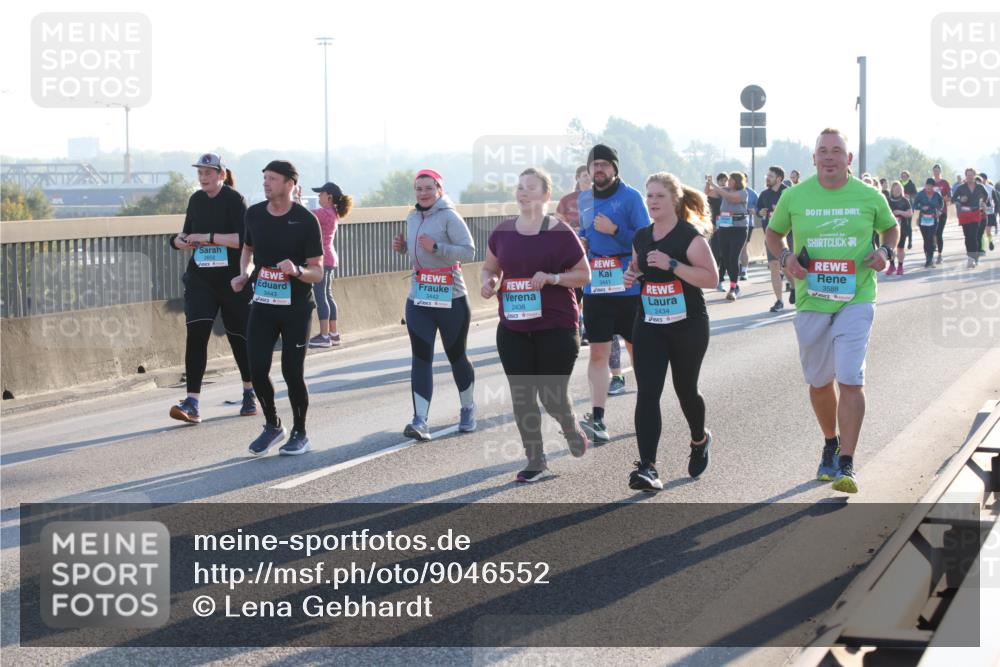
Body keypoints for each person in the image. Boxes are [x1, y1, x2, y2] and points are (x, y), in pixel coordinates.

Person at [765, 128, 898, 494]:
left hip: (856, 297)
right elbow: (773, 235)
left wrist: (885, 254)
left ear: (848, 159)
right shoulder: (794, 195)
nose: (829, 157)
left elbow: (891, 229)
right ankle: (830, 440)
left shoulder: (869, 196)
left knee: (850, 377)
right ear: (813, 158)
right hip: (811, 300)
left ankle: (848, 463)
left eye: (836, 151)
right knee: (820, 382)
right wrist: (786, 257)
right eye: (822, 151)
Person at [481, 168, 592, 482]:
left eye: (530, 187)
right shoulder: (502, 231)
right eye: (519, 187)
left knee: (551, 393)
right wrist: (489, 282)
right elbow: (490, 267)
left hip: (556, 325)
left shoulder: (559, 231)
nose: (522, 192)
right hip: (513, 326)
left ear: (546, 195)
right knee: (523, 394)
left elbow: (584, 275)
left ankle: (569, 426)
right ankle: (536, 460)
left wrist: (553, 278)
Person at [623, 173, 718, 491]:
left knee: (685, 390)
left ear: (674, 200)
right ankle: (647, 467)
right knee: (647, 392)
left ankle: (699, 438)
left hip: (688, 325)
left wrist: (672, 265)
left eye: (659, 196)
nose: (652, 201)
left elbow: (710, 278)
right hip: (649, 323)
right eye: (649, 196)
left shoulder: (689, 238)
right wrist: (632, 274)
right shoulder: (641, 236)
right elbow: (637, 267)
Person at [233, 160, 324, 457]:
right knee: (256, 368)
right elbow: (247, 248)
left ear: (289, 184)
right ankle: (273, 425)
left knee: (291, 371)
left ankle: (300, 432)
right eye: (264, 178)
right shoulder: (255, 214)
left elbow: (318, 271)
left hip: (296, 307)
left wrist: (297, 270)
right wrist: (244, 273)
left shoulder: (306, 220)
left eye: (272, 179)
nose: (266, 183)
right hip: (263, 302)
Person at [168, 153, 256, 424]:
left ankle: (250, 392)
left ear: (221, 174)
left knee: (239, 337)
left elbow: (244, 240)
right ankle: (192, 402)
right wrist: (180, 241)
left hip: (231, 279)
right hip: (201, 279)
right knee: (196, 336)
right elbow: (185, 233)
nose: (203, 177)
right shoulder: (195, 200)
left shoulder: (234, 200)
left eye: (208, 173)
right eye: (200, 173)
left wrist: (208, 238)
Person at [391, 169, 476, 440]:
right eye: (418, 188)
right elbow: (419, 252)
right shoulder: (412, 216)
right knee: (421, 357)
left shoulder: (450, 216)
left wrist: (437, 247)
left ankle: (467, 407)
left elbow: (469, 250)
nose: (423, 193)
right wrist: (405, 248)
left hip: (451, 298)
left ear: (439, 189)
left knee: (456, 356)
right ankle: (420, 420)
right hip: (420, 298)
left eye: (428, 188)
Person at [576, 144, 648, 442]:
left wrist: (615, 230)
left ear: (615, 168)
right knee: (598, 354)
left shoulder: (631, 197)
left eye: (605, 164)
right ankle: (599, 418)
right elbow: (587, 235)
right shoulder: (584, 199)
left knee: (638, 353)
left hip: (628, 287)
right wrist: (580, 242)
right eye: (595, 165)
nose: (600, 169)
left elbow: (646, 238)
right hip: (597, 288)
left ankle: (647, 411)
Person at [307, 181, 351, 348]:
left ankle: (324, 336)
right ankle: (333, 334)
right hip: (331, 258)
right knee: (328, 295)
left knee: (320, 296)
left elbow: (302, 215)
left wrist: (295, 198)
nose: (319, 196)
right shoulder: (333, 213)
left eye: (321, 193)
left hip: (323, 259)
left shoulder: (324, 213)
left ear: (329, 197)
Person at [555, 165, 592, 344]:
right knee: (577, 292)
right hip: (573, 252)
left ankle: (588, 327)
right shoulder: (567, 200)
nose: (587, 179)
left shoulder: (600, 197)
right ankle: (579, 328)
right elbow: (557, 226)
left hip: (595, 251)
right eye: (584, 175)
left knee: (593, 292)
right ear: (577, 178)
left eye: (589, 176)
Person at [706, 171, 750, 301]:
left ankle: (733, 287)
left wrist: (715, 186)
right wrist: (709, 183)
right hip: (724, 228)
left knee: (733, 257)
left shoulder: (743, 192)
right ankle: (734, 285)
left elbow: (730, 197)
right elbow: (709, 192)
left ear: (736, 181)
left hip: (739, 228)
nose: (728, 182)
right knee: (725, 258)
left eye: (730, 180)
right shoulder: (724, 189)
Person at [756, 165, 789, 312]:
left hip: (789, 236)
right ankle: (779, 300)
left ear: (779, 179)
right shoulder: (764, 194)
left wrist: (781, 211)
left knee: (788, 265)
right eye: (767, 175)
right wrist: (760, 212)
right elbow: (758, 210)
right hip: (771, 236)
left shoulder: (788, 193)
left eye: (770, 176)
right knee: (775, 266)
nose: (767, 178)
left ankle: (795, 289)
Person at [952, 168, 990, 268]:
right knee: (967, 237)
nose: (969, 177)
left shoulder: (980, 187)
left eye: (971, 175)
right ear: (965, 175)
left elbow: (986, 195)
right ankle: (970, 256)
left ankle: (972, 258)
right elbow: (953, 199)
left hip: (975, 212)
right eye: (967, 175)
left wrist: (983, 203)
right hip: (964, 214)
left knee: (973, 236)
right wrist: (960, 200)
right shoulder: (961, 187)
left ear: (974, 175)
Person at [913, 178, 945, 268]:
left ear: (933, 187)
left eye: (930, 186)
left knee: (930, 238)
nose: (928, 188)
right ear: (925, 185)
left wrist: (939, 211)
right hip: (923, 220)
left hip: (934, 220)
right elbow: (914, 205)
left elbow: (942, 203)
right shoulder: (920, 194)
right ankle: (927, 257)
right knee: (926, 239)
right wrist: (921, 207)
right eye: (927, 186)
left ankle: (929, 260)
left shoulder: (937, 195)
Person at [705, 173, 728, 291]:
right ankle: (715, 278)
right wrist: (708, 182)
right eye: (722, 181)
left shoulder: (729, 194)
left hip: (728, 226)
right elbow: (706, 193)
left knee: (725, 254)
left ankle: (721, 279)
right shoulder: (714, 194)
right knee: (715, 253)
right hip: (715, 227)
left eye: (726, 181)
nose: (724, 183)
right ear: (718, 181)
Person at [886, 181, 912, 275]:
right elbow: (883, 213)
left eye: (899, 189)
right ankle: (892, 265)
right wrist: (892, 214)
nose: (897, 191)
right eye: (895, 189)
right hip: (890, 228)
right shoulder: (887, 200)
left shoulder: (905, 200)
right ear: (892, 190)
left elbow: (910, 213)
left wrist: (900, 212)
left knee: (900, 248)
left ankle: (900, 266)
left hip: (902, 228)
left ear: (902, 190)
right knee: (890, 248)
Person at [930, 164, 952, 264]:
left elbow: (950, 197)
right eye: (934, 171)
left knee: (939, 233)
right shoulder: (930, 182)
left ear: (940, 172)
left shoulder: (945, 183)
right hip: (931, 212)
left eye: (938, 171)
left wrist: (943, 198)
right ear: (932, 172)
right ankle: (933, 247)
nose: (936, 172)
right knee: (932, 233)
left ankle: (939, 255)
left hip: (942, 211)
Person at [900, 171, 918, 250]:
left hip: (909, 207)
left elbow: (915, 195)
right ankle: (901, 241)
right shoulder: (898, 184)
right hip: (900, 207)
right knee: (901, 225)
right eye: (902, 176)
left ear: (908, 177)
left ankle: (910, 241)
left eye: (905, 176)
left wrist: (909, 196)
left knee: (908, 224)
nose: (903, 177)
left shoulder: (911, 185)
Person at [979, 173, 996, 252]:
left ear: (985, 179)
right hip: (980, 212)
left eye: (982, 179)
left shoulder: (990, 188)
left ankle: (990, 241)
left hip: (989, 211)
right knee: (981, 231)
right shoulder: (977, 188)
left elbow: (996, 200)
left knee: (988, 230)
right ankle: (982, 247)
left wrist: (995, 209)